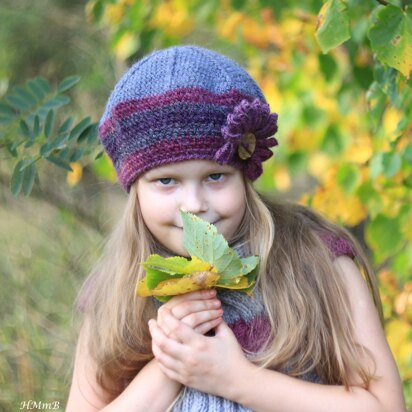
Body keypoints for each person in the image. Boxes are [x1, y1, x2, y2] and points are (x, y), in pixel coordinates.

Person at [66, 45, 406, 412]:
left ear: (245, 175)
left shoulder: (316, 261)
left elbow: (385, 406)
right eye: (166, 181)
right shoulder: (116, 292)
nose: (193, 204)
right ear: (135, 188)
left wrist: (238, 381)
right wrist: (171, 365)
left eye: (216, 176)